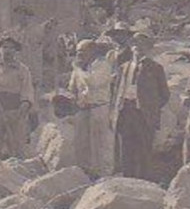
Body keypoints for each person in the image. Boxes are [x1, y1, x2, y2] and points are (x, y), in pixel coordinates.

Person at [111, 29, 169, 181]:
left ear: (148, 48)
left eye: (141, 44)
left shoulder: (155, 68)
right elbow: (116, 90)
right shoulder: (124, 67)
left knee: (144, 150)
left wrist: (150, 108)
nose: (137, 47)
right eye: (134, 43)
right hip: (125, 111)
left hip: (143, 114)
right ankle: (127, 179)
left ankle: (144, 181)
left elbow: (164, 95)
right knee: (126, 149)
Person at [0, 34, 36, 160]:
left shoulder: (22, 70)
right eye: (4, 47)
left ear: (16, 50)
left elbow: (27, 90)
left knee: (17, 146)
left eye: (11, 48)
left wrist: (24, 107)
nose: (7, 50)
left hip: (16, 110)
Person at [67, 38, 115, 177]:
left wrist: (77, 69)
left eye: (82, 51)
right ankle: (85, 173)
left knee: (99, 144)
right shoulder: (80, 67)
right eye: (77, 52)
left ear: (92, 51)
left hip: (98, 107)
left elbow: (92, 82)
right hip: (83, 108)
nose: (79, 55)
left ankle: (103, 174)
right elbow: (72, 87)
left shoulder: (102, 65)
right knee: (81, 143)